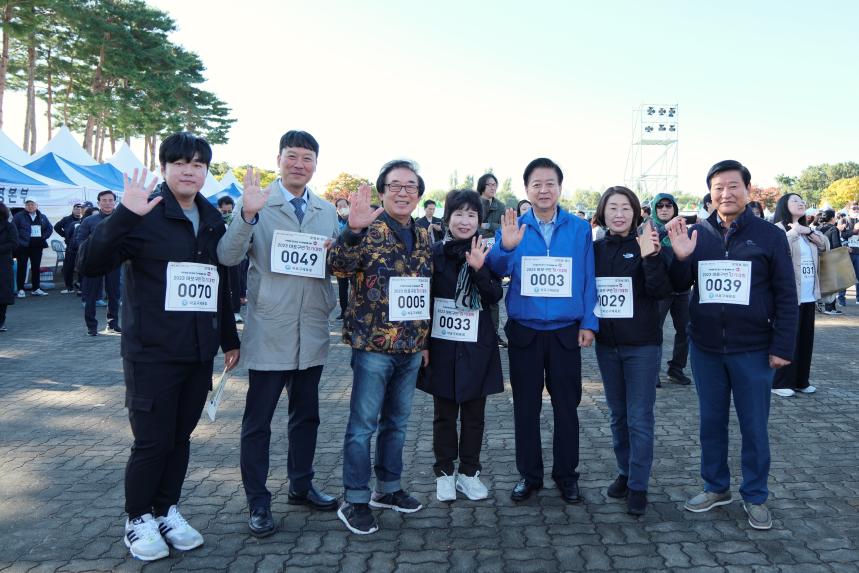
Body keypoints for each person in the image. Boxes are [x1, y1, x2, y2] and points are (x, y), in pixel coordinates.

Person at [76, 132, 240, 561]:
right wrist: (123, 216)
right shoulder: (144, 213)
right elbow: (88, 264)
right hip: (151, 352)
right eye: (180, 163)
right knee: (152, 441)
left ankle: (166, 509)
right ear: (164, 167)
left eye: (199, 164)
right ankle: (138, 518)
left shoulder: (211, 219)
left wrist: (228, 338)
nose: (189, 171)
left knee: (180, 438)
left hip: (198, 351)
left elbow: (217, 282)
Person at [217, 130, 341, 538]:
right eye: (292, 156)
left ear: (316, 165)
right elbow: (228, 256)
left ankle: (301, 486)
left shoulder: (326, 211)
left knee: (307, 417)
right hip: (270, 328)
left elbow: (338, 265)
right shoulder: (259, 203)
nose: (299, 164)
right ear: (279, 159)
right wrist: (247, 216)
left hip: (313, 329)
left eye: (307, 158)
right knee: (258, 421)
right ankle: (258, 500)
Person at [666, 159, 797, 531]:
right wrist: (680, 258)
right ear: (710, 193)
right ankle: (716, 486)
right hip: (706, 349)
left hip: (754, 349)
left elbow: (786, 295)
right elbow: (678, 284)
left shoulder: (768, 235)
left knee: (754, 426)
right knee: (711, 423)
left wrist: (782, 347)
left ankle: (755, 495)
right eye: (718, 188)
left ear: (747, 191)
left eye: (733, 186)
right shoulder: (697, 233)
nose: (725, 193)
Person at [486, 157, 598, 505]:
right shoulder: (514, 226)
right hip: (525, 331)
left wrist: (589, 322)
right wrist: (505, 247)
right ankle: (529, 476)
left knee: (566, 407)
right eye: (537, 184)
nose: (544, 190)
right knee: (525, 407)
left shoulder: (579, 229)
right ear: (527, 189)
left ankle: (566, 476)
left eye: (550, 183)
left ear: (560, 188)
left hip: (566, 331)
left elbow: (588, 278)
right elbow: (495, 269)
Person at [329, 160, 432, 535]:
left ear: (418, 194)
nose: (403, 193)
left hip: (410, 347)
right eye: (395, 186)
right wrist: (352, 231)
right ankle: (355, 499)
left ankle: (388, 489)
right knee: (362, 426)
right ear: (383, 191)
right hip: (373, 345)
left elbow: (425, 289)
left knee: (397, 425)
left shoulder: (423, 235)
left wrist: (424, 342)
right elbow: (337, 267)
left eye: (411, 186)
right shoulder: (367, 228)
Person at [417, 189, 503, 502]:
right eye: (459, 214)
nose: (465, 221)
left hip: (477, 346)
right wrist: (423, 343)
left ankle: (468, 473)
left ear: (479, 220)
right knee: (443, 415)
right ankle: (444, 473)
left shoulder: (487, 252)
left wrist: (479, 269)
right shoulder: (433, 253)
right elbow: (423, 300)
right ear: (448, 218)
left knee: (474, 415)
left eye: (471, 215)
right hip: (442, 346)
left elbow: (494, 296)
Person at [592, 186, 670, 516]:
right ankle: (624, 472)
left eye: (626, 207)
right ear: (603, 213)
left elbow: (660, 290)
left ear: (636, 212)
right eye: (613, 208)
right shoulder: (594, 249)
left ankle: (639, 484)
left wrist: (650, 257)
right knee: (617, 415)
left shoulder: (648, 244)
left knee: (639, 418)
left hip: (642, 347)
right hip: (607, 347)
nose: (619, 214)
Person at [771, 193, 828, 397]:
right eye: (794, 200)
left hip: (808, 294)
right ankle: (779, 382)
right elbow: (777, 249)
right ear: (784, 206)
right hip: (788, 295)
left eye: (802, 200)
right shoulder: (777, 229)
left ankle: (801, 381)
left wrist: (808, 231)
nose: (800, 203)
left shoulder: (807, 231)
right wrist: (794, 232)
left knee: (805, 340)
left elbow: (824, 246)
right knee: (788, 339)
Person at [650, 193, 692, 386]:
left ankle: (676, 368)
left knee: (685, 330)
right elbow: (646, 246)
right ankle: (652, 371)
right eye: (660, 206)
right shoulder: (648, 227)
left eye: (669, 205)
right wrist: (665, 229)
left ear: (675, 208)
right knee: (654, 331)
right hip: (660, 291)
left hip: (682, 290)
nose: (664, 209)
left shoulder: (683, 230)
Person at [76, 190, 121, 336]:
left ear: (115, 202)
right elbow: (80, 240)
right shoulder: (89, 221)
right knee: (91, 295)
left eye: (110, 200)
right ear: (98, 203)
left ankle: (113, 324)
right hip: (93, 263)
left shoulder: (121, 219)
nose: (107, 203)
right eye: (104, 200)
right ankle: (92, 326)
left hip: (114, 262)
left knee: (114, 294)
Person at [477, 173, 507, 347]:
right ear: (482, 186)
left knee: (494, 295)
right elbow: (471, 226)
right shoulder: (473, 202)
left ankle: (494, 333)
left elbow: (504, 227)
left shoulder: (501, 206)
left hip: (493, 254)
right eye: (489, 184)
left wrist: (487, 226)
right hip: (475, 251)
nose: (493, 187)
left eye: (495, 185)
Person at [13, 199, 52, 297]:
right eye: (28, 204)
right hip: (23, 246)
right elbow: (13, 229)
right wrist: (19, 241)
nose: (30, 206)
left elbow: (49, 228)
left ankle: (36, 288)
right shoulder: (19, 216)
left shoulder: (42, 216)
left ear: (36, 205)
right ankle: (20, 289)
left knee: (36, 267)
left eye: (32, 204)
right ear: (25, 206)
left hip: (37, 246)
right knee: (22, 267)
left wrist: (43, 237)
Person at [216, 196, 243, 324]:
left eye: (229, 211)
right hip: (218, 258)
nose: (227, 214)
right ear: (219, 209)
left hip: (233, 257)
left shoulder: (236, 221)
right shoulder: (215, 221)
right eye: (224, 212)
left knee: (235, 283)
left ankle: (236, 311)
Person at [816, 210, 844, 315]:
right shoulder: (833, 229)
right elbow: (836, 246)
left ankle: (820, 304)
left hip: (819, 258)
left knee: (821, 283)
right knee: (832, 284)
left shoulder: (818, 228)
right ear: (832, 218)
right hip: (831, 258)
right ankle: (830, 308)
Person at [54, 203, 83, 293]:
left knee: (81, 267)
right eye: (76, 209)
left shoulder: (84, 219)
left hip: (82, 247)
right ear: (73, 210)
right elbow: (57, 227)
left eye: (80, 209)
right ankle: (69, 287)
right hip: (71, 247)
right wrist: (65, 236)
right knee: (69, 267)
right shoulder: (66, 219)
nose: (78, 211)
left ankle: (80, 284)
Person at [0, 202, 18, 331]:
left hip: (4, 264)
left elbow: (14, 243)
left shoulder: (9, 226)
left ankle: (1, 321)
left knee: (3, 294)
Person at [335, 197, 350, 320]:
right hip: (340, 260)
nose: (342, 208)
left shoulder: (356, 219)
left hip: (355, 259)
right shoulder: (335, 221)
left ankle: (355, 312)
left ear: (349, 206)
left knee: (357, 286)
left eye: (344, 205)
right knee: (342, 287)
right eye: (339, 206)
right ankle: (344, 311)